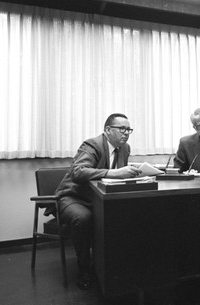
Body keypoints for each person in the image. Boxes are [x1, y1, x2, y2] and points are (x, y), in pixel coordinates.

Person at [55, 113, 141, 290]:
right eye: (122, 129)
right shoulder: (92, 145)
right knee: (83, 218)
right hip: (73, 197)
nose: (126, 133)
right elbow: (78, 172)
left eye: (129, 130)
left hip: (98, 198)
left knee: (127, 214)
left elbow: (118, 177)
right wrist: (113, 173)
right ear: (108, 130)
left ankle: (113, 267)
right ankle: (84, 270)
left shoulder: (125, 148)